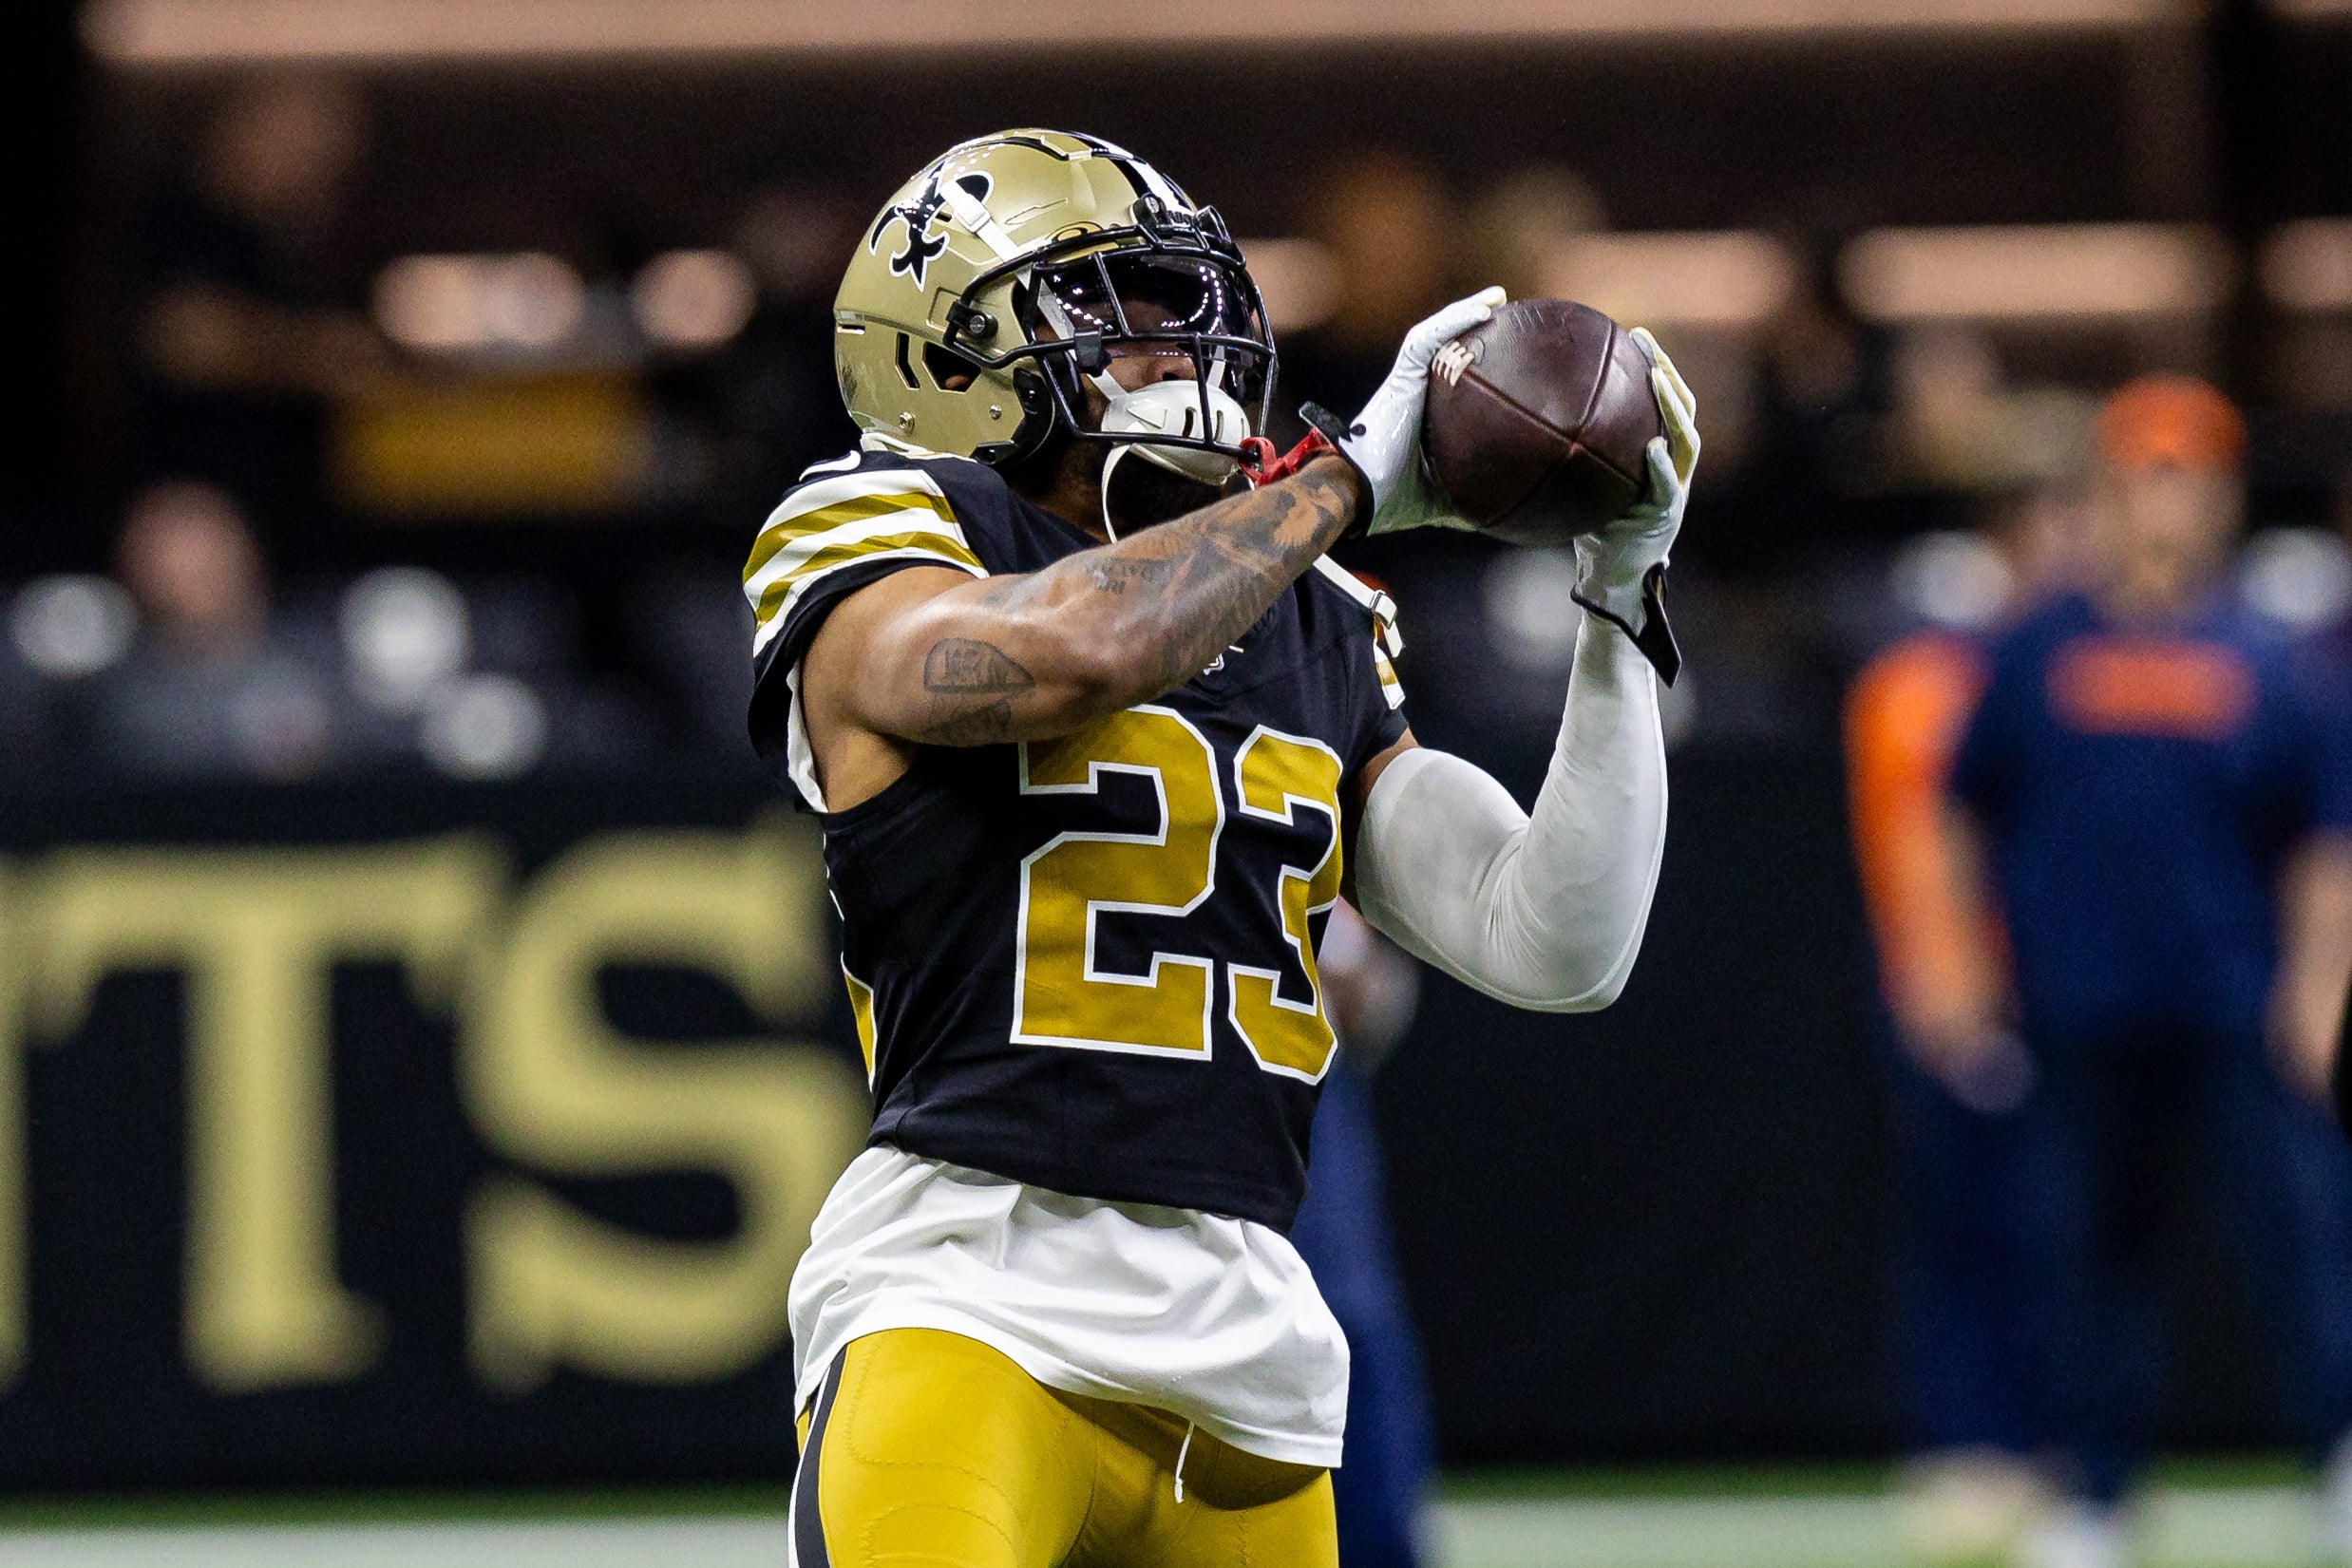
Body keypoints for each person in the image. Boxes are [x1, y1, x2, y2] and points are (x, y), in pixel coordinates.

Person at [740, 130, 1697, 1568]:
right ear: (942, 359)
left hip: (1249, 1359)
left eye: (1182, 300)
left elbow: (1557, 941)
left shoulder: (1311, 604)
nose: (1168, 343)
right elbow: (1078, 649)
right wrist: (1338, 483)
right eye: (1109, 305)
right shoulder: (889, 523)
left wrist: (1618, 606)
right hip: (973, 1300)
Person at [1943, 377, 2352, 1568]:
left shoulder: (2271, 660)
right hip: (2080, 1006)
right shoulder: (2037, 648)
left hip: (2233, 1007)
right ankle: (2097, 1498)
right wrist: (1965, 963)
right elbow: (1963, 809)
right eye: (2144, 475)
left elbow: (2324, 839)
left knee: (2297, 1248)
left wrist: (2320, 991)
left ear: (2221, 498)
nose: (2164, 501)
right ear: (2107, 492)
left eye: (2187, 476)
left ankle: (2336, 1461)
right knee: (2085, 1261)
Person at [1844, 484, 2092, 1564]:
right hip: (1962, 980)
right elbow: (1910, 847)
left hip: (2071, 984)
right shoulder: (1929, 679)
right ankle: (1969, 1442)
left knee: (2064, 1228)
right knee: (1964, 1222)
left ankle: (2059, 1443)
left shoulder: (2070, 671)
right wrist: (1941, 983)